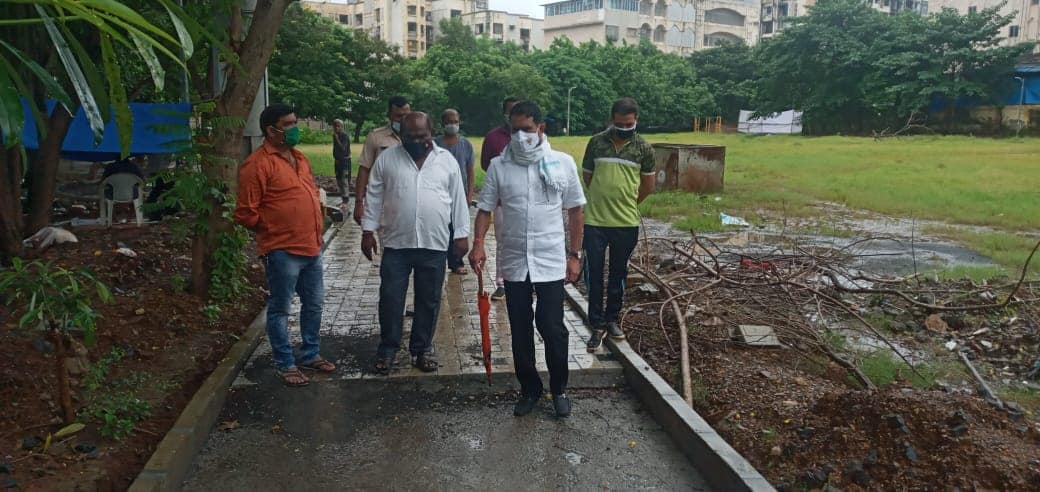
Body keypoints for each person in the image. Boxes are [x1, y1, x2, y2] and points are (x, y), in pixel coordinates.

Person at [469, 101, 585, 418]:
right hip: (515, 260)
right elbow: (485, 209)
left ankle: (559, 388)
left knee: (552, 327)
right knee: (519, 329)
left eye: (526, 130)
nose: (520, 137)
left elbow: (576, 210)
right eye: (514, 130)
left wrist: (575, 255)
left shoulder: (562, 163)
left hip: (550, 260)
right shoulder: (499, 166)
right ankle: (530, 389)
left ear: (541, 129)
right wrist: (478, 243)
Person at [234, 103, 336, 387]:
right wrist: (273, 230)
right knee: (280, 309)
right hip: (282, 252)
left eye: (295, 122)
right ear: (271, 130)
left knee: (314, 305)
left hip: (312, 247)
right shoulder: (256, 164)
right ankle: (285, 364)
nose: (295, 128)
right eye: (289, 124)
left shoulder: (300, 158)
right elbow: (245, 212)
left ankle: (310, 354)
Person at [362, 112, 470, 374]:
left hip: (434, 244)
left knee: (429, 299)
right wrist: (367, 230)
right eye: (410, 136)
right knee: (390, 298)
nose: (416, 140)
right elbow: (374, 194)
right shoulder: (388, 159)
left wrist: (462, 234)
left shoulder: (446, 161)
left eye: (421, 135)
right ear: (402, 134)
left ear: (430, 132)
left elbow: (458, 198)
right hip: (396, 244)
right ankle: (387, 349)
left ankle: (422, 349)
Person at [581, 97, 657, 351]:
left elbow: (648, 185)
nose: (624, 127)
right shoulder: (596, 142)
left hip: (625, 222)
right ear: (612, 120)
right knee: (593, 273)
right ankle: (596, 322)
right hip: (595, 221)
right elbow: (588, 175)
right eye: (619, 123)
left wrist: (626, 202)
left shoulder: (644, 148)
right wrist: (602, 197)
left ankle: (612, 319)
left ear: (636, 120)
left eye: (629, 123)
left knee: (618, 273)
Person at [479, 96, 520, 300]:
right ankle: (502, 283)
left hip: (527, 201)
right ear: (504, 113)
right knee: (503, 241)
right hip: (503, 201)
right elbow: (486, 164)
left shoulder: (529, 135)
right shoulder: (493, 137)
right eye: (509, 111)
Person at [353, 96, 411, 225]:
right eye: (398, 116)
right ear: (389, 115)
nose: (403, 120)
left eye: (406, 115)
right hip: (383, 204)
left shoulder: (418, 137)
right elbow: (364, 170)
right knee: (387, 244)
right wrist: (358, 203)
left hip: (411, 203)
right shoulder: (376, 137)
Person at [434, 108, 475, 274]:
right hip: (439, 193)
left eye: (455, 122)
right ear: (442, 124)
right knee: (440, 227)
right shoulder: (435, 143)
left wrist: (470, 193)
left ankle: (456, 262)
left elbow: (470, 170)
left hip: (459, 194)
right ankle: (438, 261)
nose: (452, 125)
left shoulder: (465, 144)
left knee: (457, 228)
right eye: (449, 122)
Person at [332, 119, 352, 198]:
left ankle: (346, 199)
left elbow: (343, 148)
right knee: (339, 180)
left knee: (344, 181)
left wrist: (337, 139)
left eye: (338, 126)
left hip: (345, 162)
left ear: (342, 127)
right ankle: (342, 198)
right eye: (335, 126)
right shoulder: (335, 136)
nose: (336, 128)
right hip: (337, 162)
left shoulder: (345, 136)